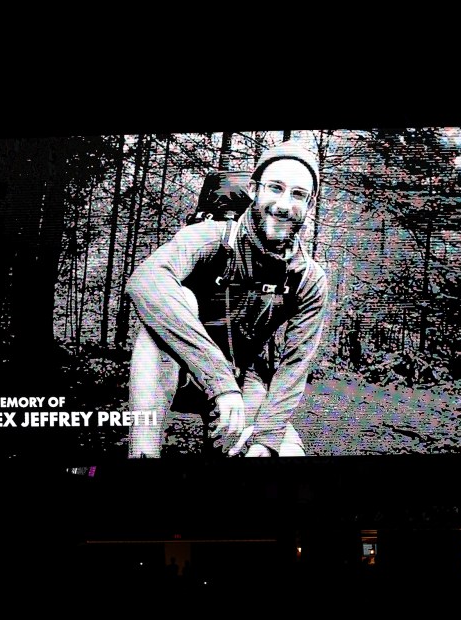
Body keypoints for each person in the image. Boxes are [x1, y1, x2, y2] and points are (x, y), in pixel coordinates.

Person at [126, 140, 329, 458]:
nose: (284, 204)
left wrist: (267, 436)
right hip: (175, 366)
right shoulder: (210, 236)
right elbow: (146, 282)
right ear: (254, 189)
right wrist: (217, 379)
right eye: (275, 188)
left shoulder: (308, 277)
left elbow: (295, 364)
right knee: (169, 313)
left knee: (285, 454)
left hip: (241, 377)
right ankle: (143, 453)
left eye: (298, 194)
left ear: (310, 204)